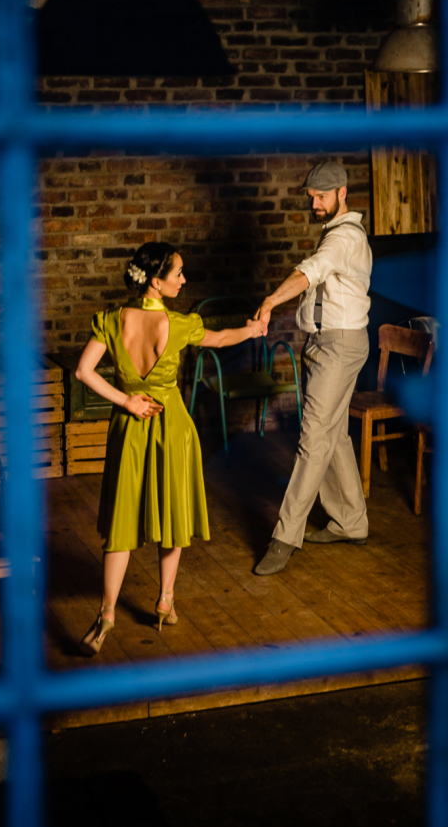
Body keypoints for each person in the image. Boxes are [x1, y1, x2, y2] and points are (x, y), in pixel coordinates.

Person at [75, 241, 265, 653]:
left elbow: (82, 370)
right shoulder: (179, 325)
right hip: (172, 425)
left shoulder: (111, 320)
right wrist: (252, 330)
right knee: (172, 513)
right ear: (157, 281)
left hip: (130, 426)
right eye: (178, 273)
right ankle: (165, 599)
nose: (184, 279)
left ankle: (107, 612)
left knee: (122, 520)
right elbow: (218, 339)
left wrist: (126, 400)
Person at [253, 160, 373, 576]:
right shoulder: (335, 235)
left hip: (338, 346)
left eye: (322, 196)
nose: (315, 203)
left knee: (312, 439)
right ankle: (351, 522)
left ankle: (285, 537)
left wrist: (270, 301)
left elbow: (310, 273)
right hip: (325, 344)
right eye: (312, 197)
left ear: (342, 192)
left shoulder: (343, 239)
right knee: (333, 433)